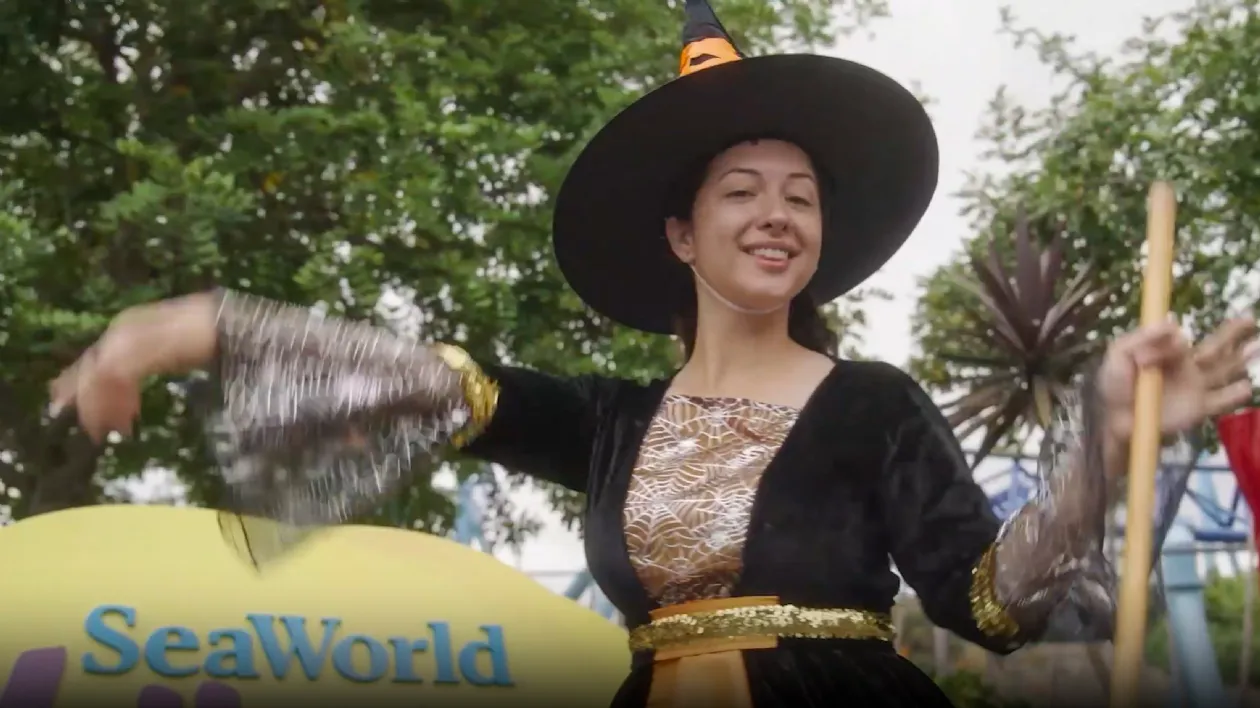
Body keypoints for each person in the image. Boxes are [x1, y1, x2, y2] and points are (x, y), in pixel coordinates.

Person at [48, 1, 1258, 706]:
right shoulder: (608, 420)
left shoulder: (873, 405)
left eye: (801, 195)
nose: (778, 213)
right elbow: (423, 377)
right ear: (684, 232)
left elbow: (989, 601)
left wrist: (1108, 437)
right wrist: (180, 327)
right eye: (743, 191)